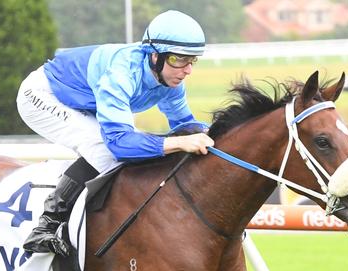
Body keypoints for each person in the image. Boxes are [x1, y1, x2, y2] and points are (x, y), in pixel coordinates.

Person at [16, 10, 215, 255]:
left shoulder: (170, 81)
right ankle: (46, 225)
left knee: (135, 144)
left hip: (85, 102)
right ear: (154, 56)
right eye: (178, 60)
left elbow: (184, 124)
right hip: (43, 95)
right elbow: (119, 144)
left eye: (191, 60)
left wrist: (212, 134)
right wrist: (179, 143)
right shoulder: (122, 73)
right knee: (103, 149)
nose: (186, 70)